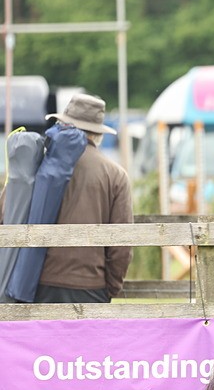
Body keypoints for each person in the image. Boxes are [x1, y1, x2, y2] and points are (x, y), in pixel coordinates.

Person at [0, 94, 132, 303]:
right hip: (91, 286)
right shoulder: (115, 175)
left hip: (37, 284)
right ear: (98, 133)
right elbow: (121, 246)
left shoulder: (36, 160)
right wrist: (111, 288)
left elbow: (7, 213)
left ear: (63, 123)